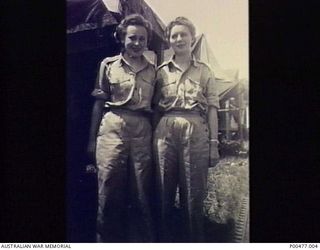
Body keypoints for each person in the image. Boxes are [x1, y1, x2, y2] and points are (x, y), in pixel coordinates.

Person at [87, 14, 155, 242]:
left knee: (141, 193)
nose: (137, 43)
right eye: (132, 37)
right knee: (108, 191)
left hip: (142, 131)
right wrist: (92, 139)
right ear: (122, 38)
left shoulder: (154, 70)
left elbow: (156, 107)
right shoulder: (108, 64)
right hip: (112, 128)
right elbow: (98, 103)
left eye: (142, 39)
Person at [152, 16, 220, 242]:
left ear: (192, 38)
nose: (179, 39)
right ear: (169, 40)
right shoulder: (160, 72)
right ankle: (164, 239)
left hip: (196, 130)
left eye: (183, 34)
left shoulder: (205, 71)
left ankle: (194, 240)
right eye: (174, 36)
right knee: (163, 189)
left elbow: (212, 109)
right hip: (165, 129)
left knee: (194, 192)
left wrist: (213, 146)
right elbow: (154, 109)